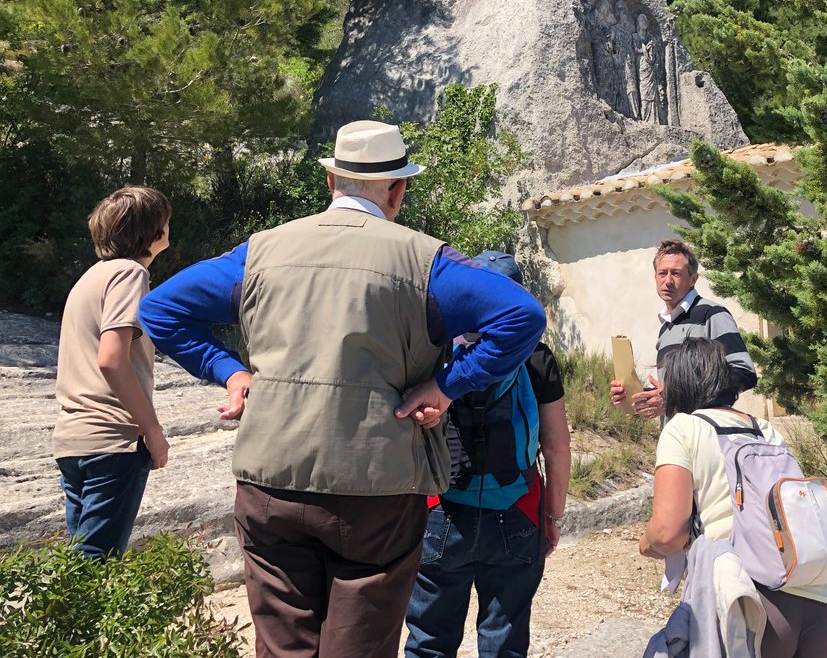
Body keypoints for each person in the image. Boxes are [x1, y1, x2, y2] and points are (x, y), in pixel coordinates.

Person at [138, 120, 546, 658]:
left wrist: (230, 372)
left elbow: (159, 309)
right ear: (398, 189)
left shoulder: (260, 252)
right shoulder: (426, 262)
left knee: (284, 648)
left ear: (332, 182)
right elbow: (522, 315)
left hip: (270, 480)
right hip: (378, 486)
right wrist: (447, 386)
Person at [639, 338, 827, 658]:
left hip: (751, 602)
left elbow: (668, 532)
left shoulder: (682, 428)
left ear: (679, 385)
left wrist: (645, 543)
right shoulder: (766, 429)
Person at [404, 251, 571, 658]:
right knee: (504, 643)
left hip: (441, 510)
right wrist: (551, 515)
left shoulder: (437, 354)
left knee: (429, 642)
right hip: (516, 509)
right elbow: (556, 446)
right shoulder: (536, 357)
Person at [51, 186, 174, 559]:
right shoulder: (129, 275)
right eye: (165, 220)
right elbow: (112, 358)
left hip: (73, 439)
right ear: (151, 230)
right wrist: (152, 431)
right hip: (112, 440)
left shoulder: (91, 277)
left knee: (80, 566)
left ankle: (60, 621)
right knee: (96, 566)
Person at [610, 238, 757, 419]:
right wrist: (638, 396)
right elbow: (672, 391)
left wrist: (673, 397)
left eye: (676, 273)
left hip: (706, 436)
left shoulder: (712, 314)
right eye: (662, 273)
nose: (668, 281)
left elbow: (744, 373)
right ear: (655, 277)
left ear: (693, 279)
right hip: (674, 438)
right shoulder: (666, 329)